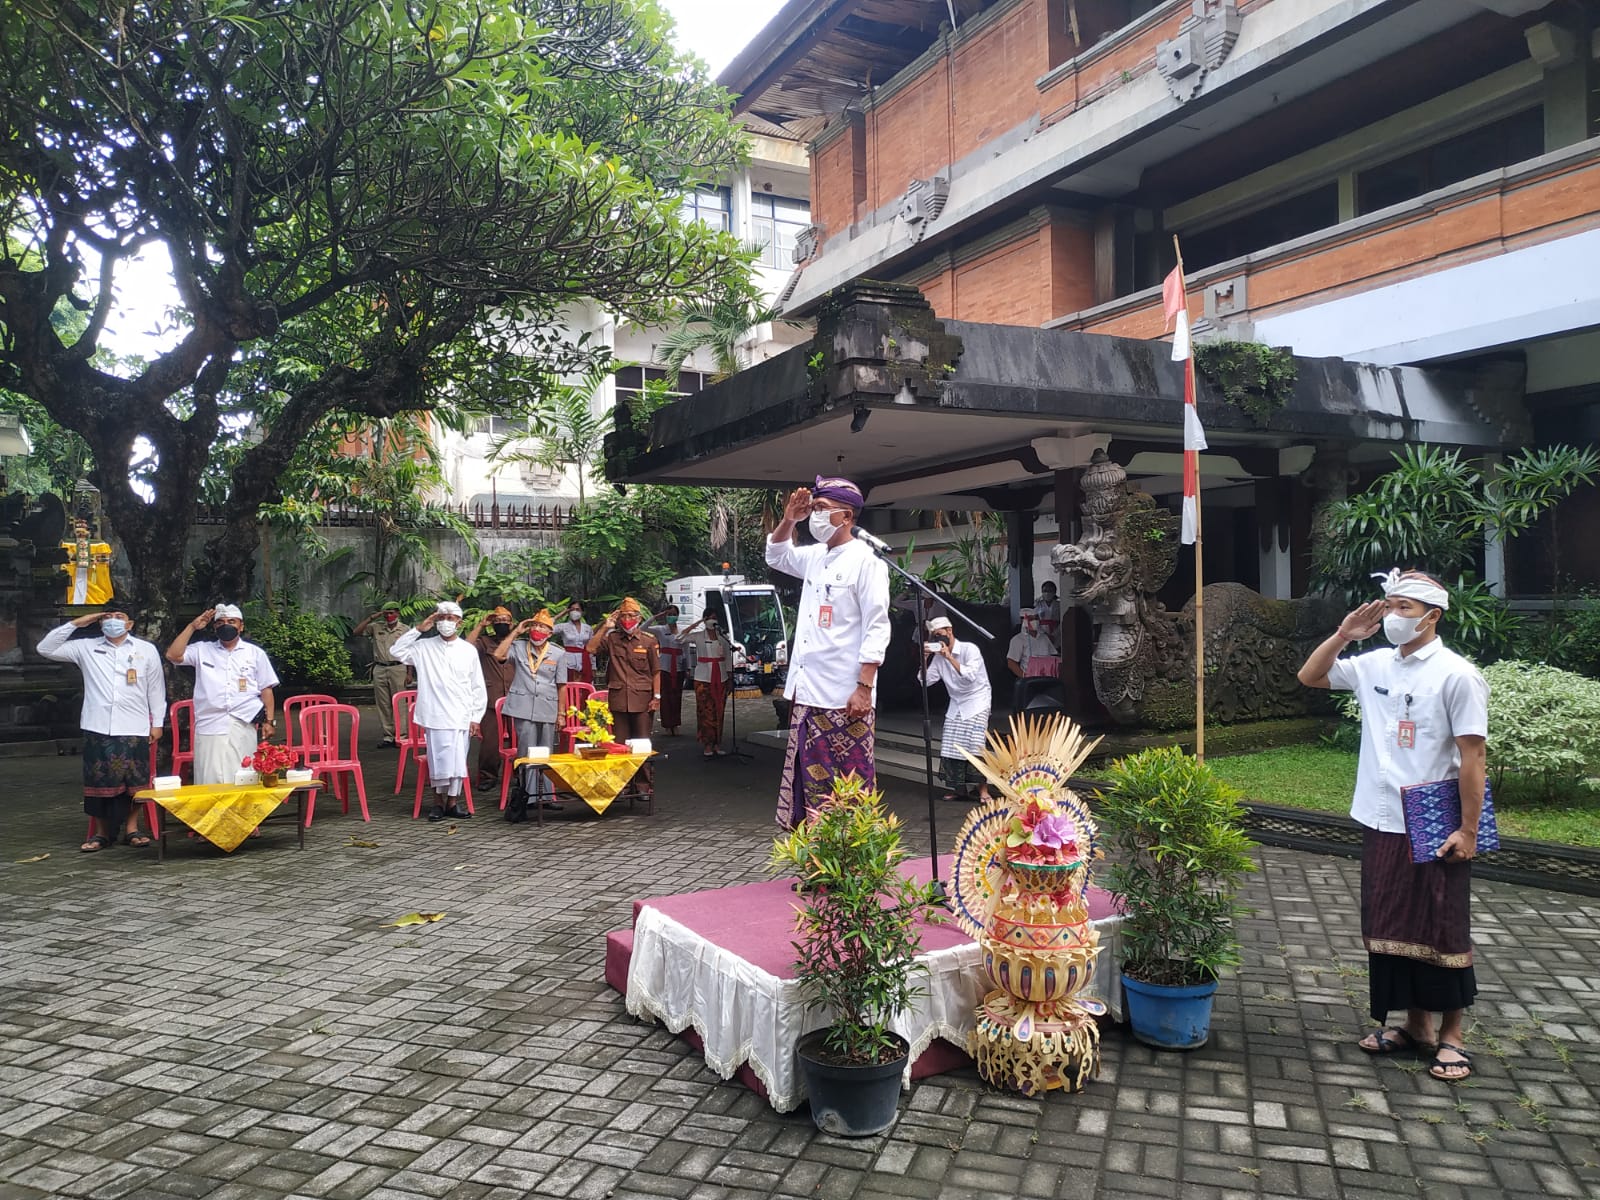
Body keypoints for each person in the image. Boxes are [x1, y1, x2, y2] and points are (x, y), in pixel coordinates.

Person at [1296, 568, 1488, 1084]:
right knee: (1390, 925)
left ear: (1433, 616)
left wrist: (1468, 831)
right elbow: (1311, 677)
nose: (1393, 617)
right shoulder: (1375, 663)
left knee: (1440, 924)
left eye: (1405, 608)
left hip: (1434, 816)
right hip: (1380, 814)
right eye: (1389, 606)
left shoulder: (1457, 675)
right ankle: (1414, 1027)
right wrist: (1343, 636)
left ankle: (1452, 1036)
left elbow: (1472, 756)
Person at [765, 476, 891, 829]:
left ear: (846, 516)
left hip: (843, 695)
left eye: (821, 509)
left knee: (847, 784)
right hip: (808, 691)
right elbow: (776, 554)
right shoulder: (816, 557)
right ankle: (818, 864)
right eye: (814, 508)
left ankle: (851, 868)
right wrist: (790, 518)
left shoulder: (868, 562)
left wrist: (864, 686)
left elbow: (877, 626)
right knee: (808, 781)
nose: (815, 516)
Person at [38, 610, 165, 852]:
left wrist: (157, 722)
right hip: (97, 725)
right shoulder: (85, 647)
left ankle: (132, 829)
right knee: (99, 782)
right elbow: (45, 648)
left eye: (119, 616)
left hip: (134, 725)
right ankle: (101, 833)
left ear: (130, 623)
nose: (113, 620)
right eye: (107, 617)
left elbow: (156, 688)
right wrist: (77, 622)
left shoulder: (145, 649)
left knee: (134, 782)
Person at [391, 602, 487, 822]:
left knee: (457, 761)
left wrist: (476, 717)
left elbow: (477, 686)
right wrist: (419, 629)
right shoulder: (423, 647)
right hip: (435, 715)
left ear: (459, 623)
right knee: (438, 762)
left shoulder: (468, 650)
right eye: (441, 617)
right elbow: (396, 651)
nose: (446, 622)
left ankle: (453, 802)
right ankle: (437, 803)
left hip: (461, 714)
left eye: (450, 618)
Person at [165, 604, 279, 785]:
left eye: (231, 621)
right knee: (210, 776)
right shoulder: (202, 649)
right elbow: (173, 655)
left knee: (243, 774)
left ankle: (241, 813)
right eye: (220, 622)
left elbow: (266, 689)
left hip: (242, 722)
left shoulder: (255, 654)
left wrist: (269, 721)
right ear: (214, 627)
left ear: (241, 626)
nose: (226, 625)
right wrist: (192, 627)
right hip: (210, 723)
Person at [586, 597, 660, 795]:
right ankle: (622, 785)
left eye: (631, 616)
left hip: (643, 699)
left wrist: (657, 697)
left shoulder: (648, 640)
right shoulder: (612, 638)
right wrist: (606, 626)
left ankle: (643, 786)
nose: (627, 619)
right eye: (624, 616)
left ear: (639, 617)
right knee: (619, 745)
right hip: (619, 699)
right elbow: (590, 649)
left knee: (642, 743)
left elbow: (656, 672)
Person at [495, 608, 567, 812]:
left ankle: (547, 795)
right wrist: (516, 631)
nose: (537, 629)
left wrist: (561, 714)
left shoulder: (559, 653)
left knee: (545, 752)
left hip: (548, 706)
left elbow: (562, 685)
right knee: (526, 751)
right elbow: (498, 655)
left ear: (550, 632)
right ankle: (526, 796)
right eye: (534, 626)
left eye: (542, 627)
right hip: (523, 707)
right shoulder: (518, 646)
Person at [920, 616, 993, 803]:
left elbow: (969, 676)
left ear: (949, 631)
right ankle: (959, 789)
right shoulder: (937, 658)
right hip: (957, 702)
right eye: (934, 637)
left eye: (940, 635)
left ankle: (983, 791)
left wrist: (949, 657)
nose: (938, 640)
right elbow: (925, 681)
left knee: (975, 744)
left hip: (978, 700)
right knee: (952, 744)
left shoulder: (970, 649)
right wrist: (925, 658)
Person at [467, 605, 516, 788]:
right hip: (491, 697)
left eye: (505, 621)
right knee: (490, 741)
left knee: (518, 738)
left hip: (515, 696)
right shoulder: (484, 642)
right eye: (498, 622)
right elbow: (465, 647)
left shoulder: (517, 643)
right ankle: (488, 776)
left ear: (511, 624)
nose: (501, 624)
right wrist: (481, 625)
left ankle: (520, 774)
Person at [353, 602, 412, 747]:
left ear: (397, 613)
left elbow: (411, 652)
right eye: (386, 613)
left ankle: (401, 736)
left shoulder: (405, 629)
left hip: (398, 668)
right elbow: (357, 632)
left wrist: (409, 673)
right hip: (380, 667)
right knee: (383, 703)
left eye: (391, 613)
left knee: (399, 703)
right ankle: (388, 736)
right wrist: (372, 617)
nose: (388, 616)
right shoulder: (376, 627)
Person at [680, 611, 733, 758]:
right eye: (709, 618)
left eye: (714, 617)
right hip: (703, 678)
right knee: (705, 711)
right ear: (704, 620)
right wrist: (695, 624)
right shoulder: (698, 636)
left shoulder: (723, 637)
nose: (712, 620)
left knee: (719, 710)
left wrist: (729, 677)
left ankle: (717, 743)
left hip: (720, 677)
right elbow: (679, 638)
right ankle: (707, 743)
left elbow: (728, 657)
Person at [646, 605, 684, 736]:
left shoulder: (682, 630)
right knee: (666, 697)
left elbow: (685, 649)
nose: (671, 616)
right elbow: (642, 628)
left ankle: (676, 723)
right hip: (664, 667)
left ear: (678, 615)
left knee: (677, 697)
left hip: (679, 667)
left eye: (674, 614)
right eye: (669, 614)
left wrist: (689, 667)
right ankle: (668, 725)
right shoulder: (661, 630)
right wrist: (657, 616)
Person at [555, 603, 593, 683]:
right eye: (572, 609)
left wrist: (593, 666)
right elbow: (547, 627)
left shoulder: (588, 628)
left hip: (584, 660)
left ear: (582, 612)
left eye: (577, 609)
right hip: (568, 660)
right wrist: (563, 613)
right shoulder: (563, 627)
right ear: (568, 612)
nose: (574, 611)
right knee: (568, 683)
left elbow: (592, 647)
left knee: (584, 684)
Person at [1035, 580, 1062, 647]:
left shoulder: (1059, 605)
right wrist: (1043, 634)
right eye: (1045, 591)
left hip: (1056, 632)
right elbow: (1035, 620)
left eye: (1050, 591)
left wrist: (1054, 634)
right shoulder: (1038, 605)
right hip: (1042, 631)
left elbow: (1062, 620)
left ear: (1054, 592)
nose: (1047, 593)